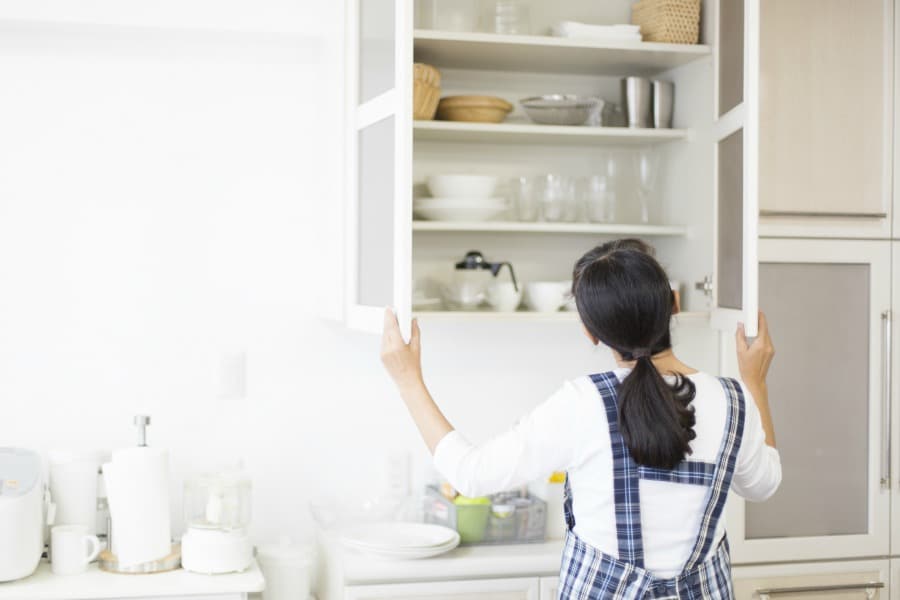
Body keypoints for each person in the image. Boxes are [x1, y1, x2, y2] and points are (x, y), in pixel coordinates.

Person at [381, 239, 780, 599]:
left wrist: (409, 381)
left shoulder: (583, 403)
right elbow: (763, 486)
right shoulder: (734, 400)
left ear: (591, 332)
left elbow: (471, 473)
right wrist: (754, 382)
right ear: (672, 307)